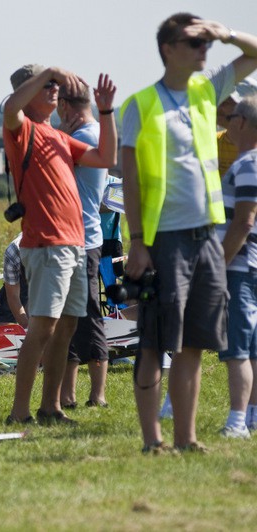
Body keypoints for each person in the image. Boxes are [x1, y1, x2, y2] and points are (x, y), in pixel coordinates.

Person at [121, 13, 257, 453]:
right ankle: (152, 439)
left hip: (206, 237)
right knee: (157, 341)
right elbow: (130, 178)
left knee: (194, 343)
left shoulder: (205, 89)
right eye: (195, 43)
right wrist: (138, 242)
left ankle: (186, 437)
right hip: (164, 239)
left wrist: (226, 33)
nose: (204, 50)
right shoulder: (140, 105)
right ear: (169, 49)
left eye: (206, 43)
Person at [3, 64, 117, 425]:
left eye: (57, 85)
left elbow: (105, 158)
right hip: (47, 244)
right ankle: (19, 412)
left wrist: (106, 111)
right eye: (48, 86)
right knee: (43, 329)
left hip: (75, 244)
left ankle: (50, 407)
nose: (56, 90)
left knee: (66, 328)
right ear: (28, 90)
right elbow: (10, 109)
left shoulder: (60, 135)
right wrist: (49, 71)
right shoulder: (22, 129)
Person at [56, 84, 110, 410]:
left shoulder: (85, 138)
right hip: (75, 237)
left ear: (65, 106)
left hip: (83, 240)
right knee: (69, 318)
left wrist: (61, 134)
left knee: (88, 317)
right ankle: (68, 394)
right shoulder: (92, 133)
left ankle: (97, 393)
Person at [217, 94, 257, 438]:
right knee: (254, 348)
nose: (226, 122)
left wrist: (220, 263)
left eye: (230, 117)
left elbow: (243, 223)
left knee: (238, 349)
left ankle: (236, 421)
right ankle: (252, 417)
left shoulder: (246, 164)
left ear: (241, 123)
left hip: (240, 267)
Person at [0, 233, 28, 334]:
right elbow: (13, 296)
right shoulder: (13, 252)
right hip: (20, 277)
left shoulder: (57, 251)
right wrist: (28, 329)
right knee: (6, 307)